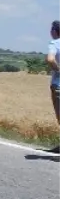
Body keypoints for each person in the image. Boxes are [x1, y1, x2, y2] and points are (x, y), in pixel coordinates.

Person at [47, 20, 60, 153]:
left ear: (54, 31)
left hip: (58, 84)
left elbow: (50, 59)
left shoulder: (55, 43)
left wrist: (58, 69)